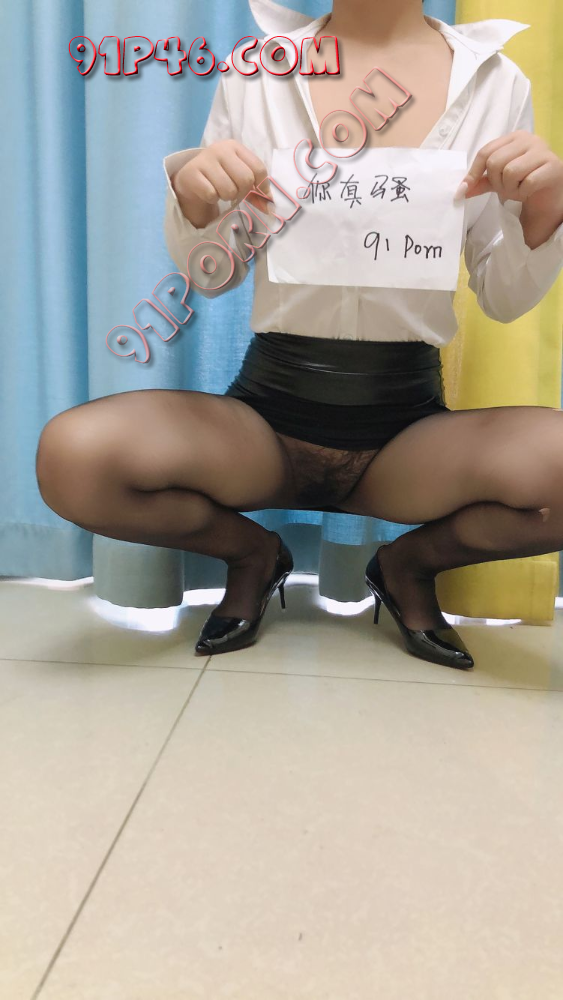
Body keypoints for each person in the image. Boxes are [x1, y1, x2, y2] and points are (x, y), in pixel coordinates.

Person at [36, 0, 563, 669]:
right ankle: (252, 554)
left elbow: (504, 296)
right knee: (75, 459)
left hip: (408, 436)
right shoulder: (258, 67)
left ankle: (407, 566)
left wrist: (542, 210)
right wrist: (197, 201)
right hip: (266, 421)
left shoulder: (496, 81)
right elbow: (215, 274)